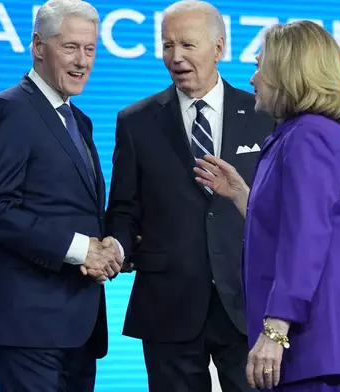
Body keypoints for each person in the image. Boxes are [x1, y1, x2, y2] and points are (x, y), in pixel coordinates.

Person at [193, 20, 340, 392]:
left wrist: (276, 330)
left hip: (309, 340)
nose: (252, 79)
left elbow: (306, 240)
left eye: (259, 66)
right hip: (308, 341)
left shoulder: (309, 137)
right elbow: (291, 225)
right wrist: (240, 194)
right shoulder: (297, 136)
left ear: (287, 72)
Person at [104, 1, 274, 391]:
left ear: (219, 47)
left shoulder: (265, 113)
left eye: (187, 45)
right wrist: (117, 247)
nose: (175, 57)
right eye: (167, 46)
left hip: (246, 301)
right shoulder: (136, 121)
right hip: (169, 303)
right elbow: (124, 208)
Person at [0, 0, 122, 390]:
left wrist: (110, 250)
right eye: (70, 47)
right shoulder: (8, 110)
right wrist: (79, 249)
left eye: (90, 49)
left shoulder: (78, 119)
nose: (82, 61)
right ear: (38, 45)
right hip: (29, 325)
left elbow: (78, 210)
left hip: (79, 325)